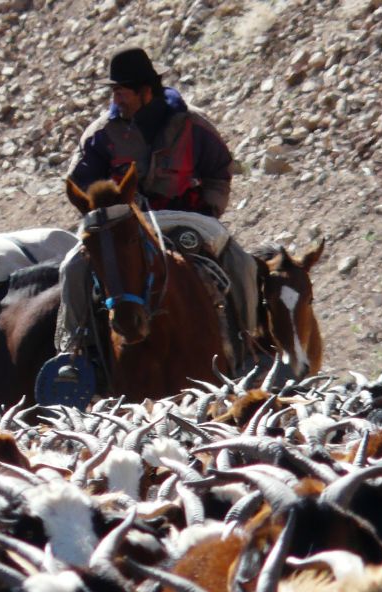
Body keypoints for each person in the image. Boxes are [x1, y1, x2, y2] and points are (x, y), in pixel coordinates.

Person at [56, 47, 259, 375]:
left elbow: (219, 168)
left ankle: (249, 344)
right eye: (114, 92)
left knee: (242, 263)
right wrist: (104, 212)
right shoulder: (99, 135)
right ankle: (76, 355)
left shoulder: (191, 125)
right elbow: (80, 181)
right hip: (124, 225)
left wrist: (209, 208)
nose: (116, 99)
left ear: (145, 91)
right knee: (71, 268)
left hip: (186, 218)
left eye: (121, 91)